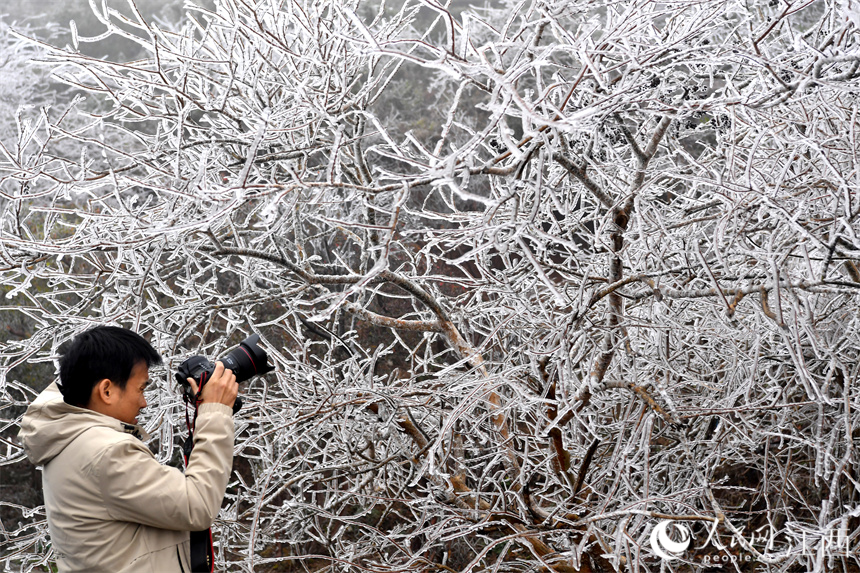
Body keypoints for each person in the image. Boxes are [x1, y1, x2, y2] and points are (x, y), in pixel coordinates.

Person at [18, 326, 237, 572]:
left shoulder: (70, 441)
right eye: (141, 388)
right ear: (107, 390)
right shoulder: (105, 453)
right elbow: (197, 505)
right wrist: (215, 412)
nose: (144, 402)